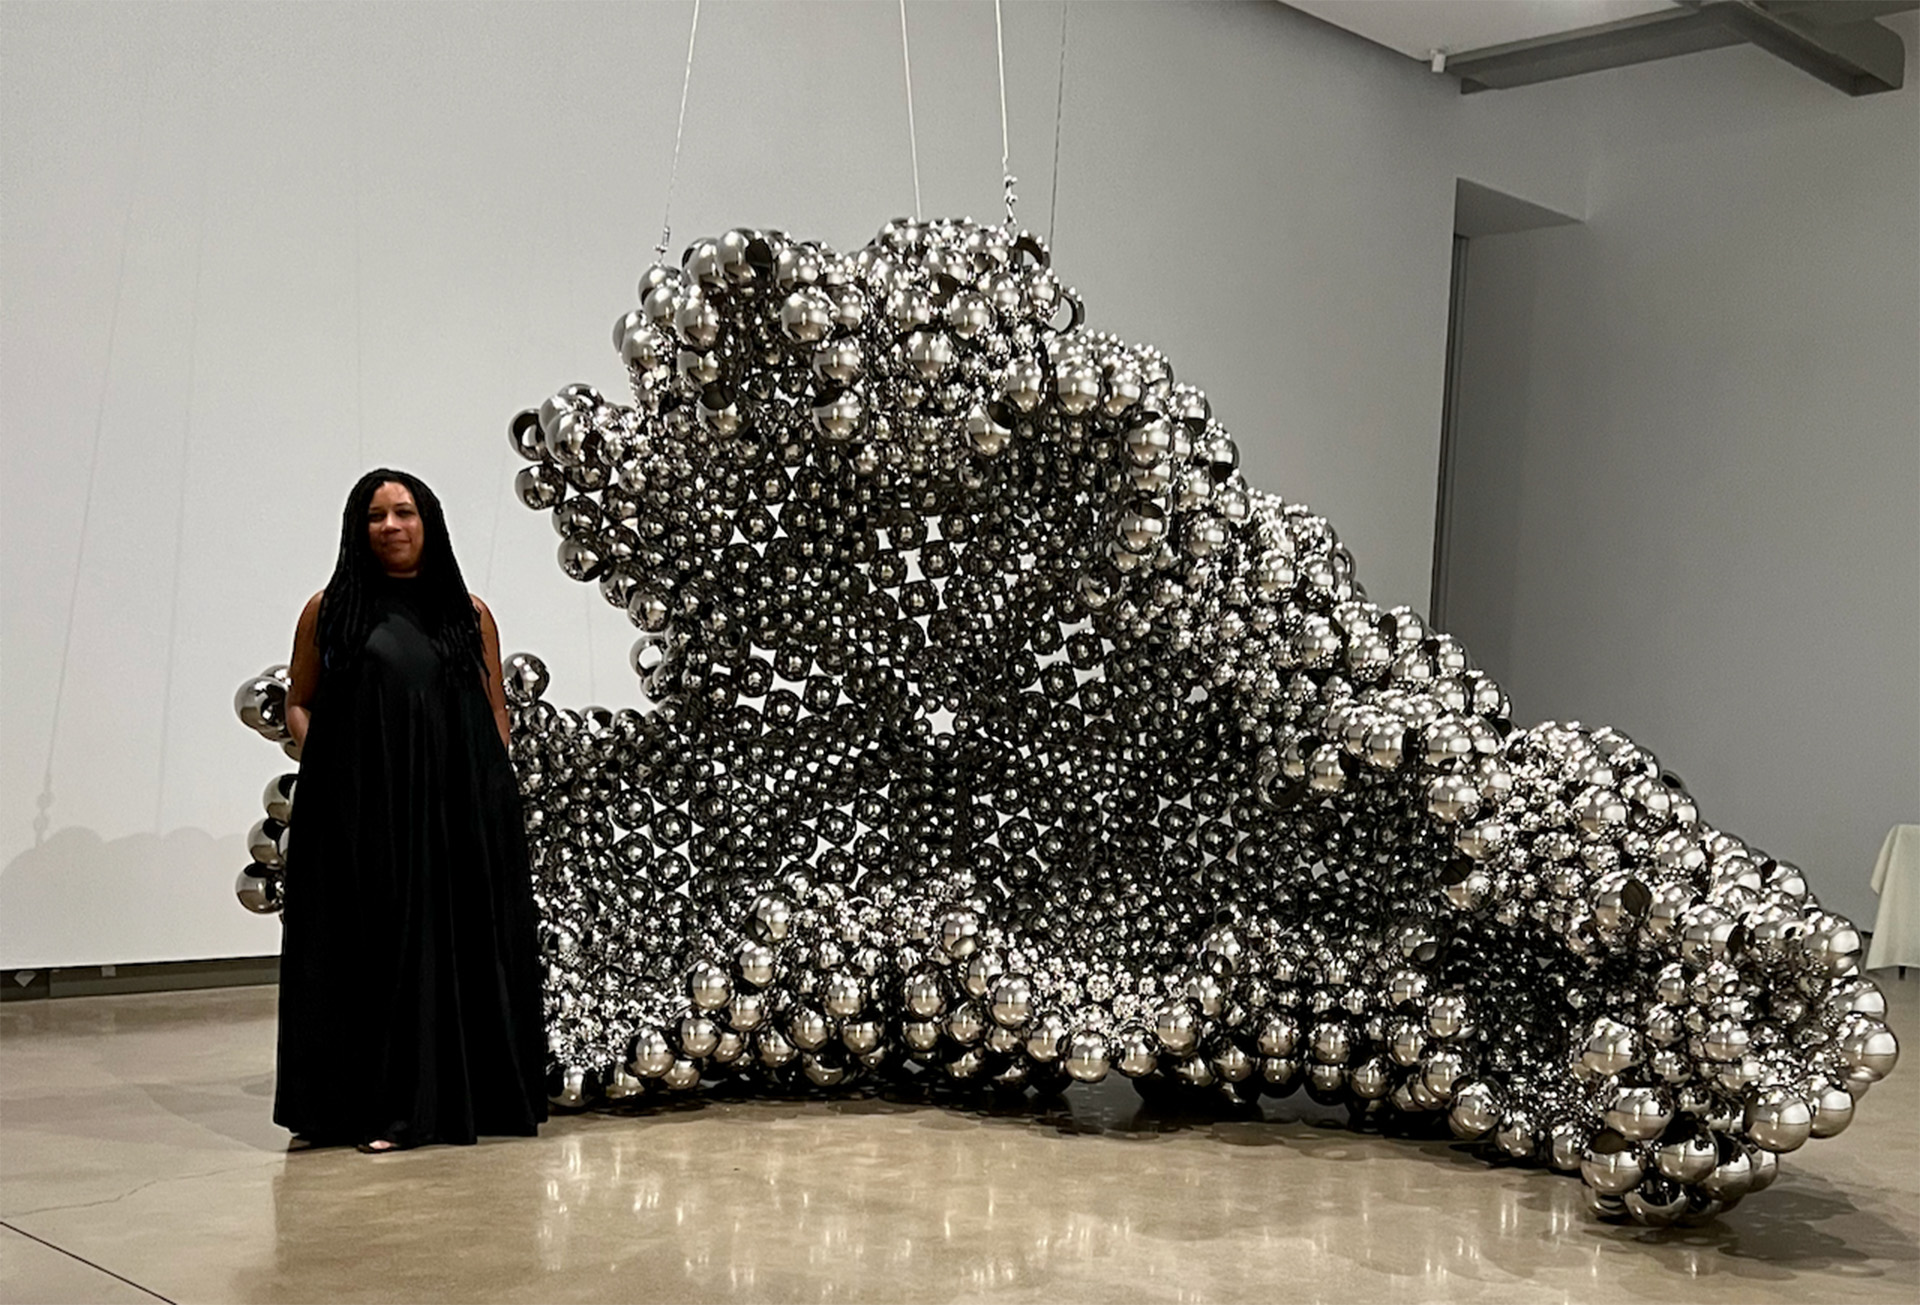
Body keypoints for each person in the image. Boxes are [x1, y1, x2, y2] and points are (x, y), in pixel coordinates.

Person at [274, 468, 548, 1152]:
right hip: (362, 812)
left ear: (429, 521)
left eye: (404, 512)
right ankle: (376, 1107)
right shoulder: (329, 609)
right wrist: (336, 769)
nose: (390, 525)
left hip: (459, 814)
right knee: (376, 949)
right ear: (357, 529)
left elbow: (494, 712)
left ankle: (460, 1099)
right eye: (375, 515)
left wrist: (483, 789)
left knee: (453, 948)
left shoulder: (469, 612)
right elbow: (298, 702)